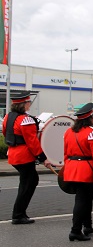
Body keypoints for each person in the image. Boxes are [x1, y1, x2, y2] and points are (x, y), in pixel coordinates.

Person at [63, 103, 93, 241]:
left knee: (85, 198)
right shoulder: (92, 133)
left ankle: (88, 225)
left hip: (72, 169)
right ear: (90, 117)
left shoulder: (69, 132)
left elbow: (66, 154)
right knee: (82, 200)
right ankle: (75, 230)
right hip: (86, 170)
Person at [2, 91, 52, 224]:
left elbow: (4, 132)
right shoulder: (26, 120)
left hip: (13, 154)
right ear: (23, 104)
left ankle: (20, 213)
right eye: (28, 102)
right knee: (28, 183)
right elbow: (32, 142)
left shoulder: (8, 116)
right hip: (24, 156)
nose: (29, 104)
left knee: (28, 182)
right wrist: (43, 158)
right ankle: (18, 215)